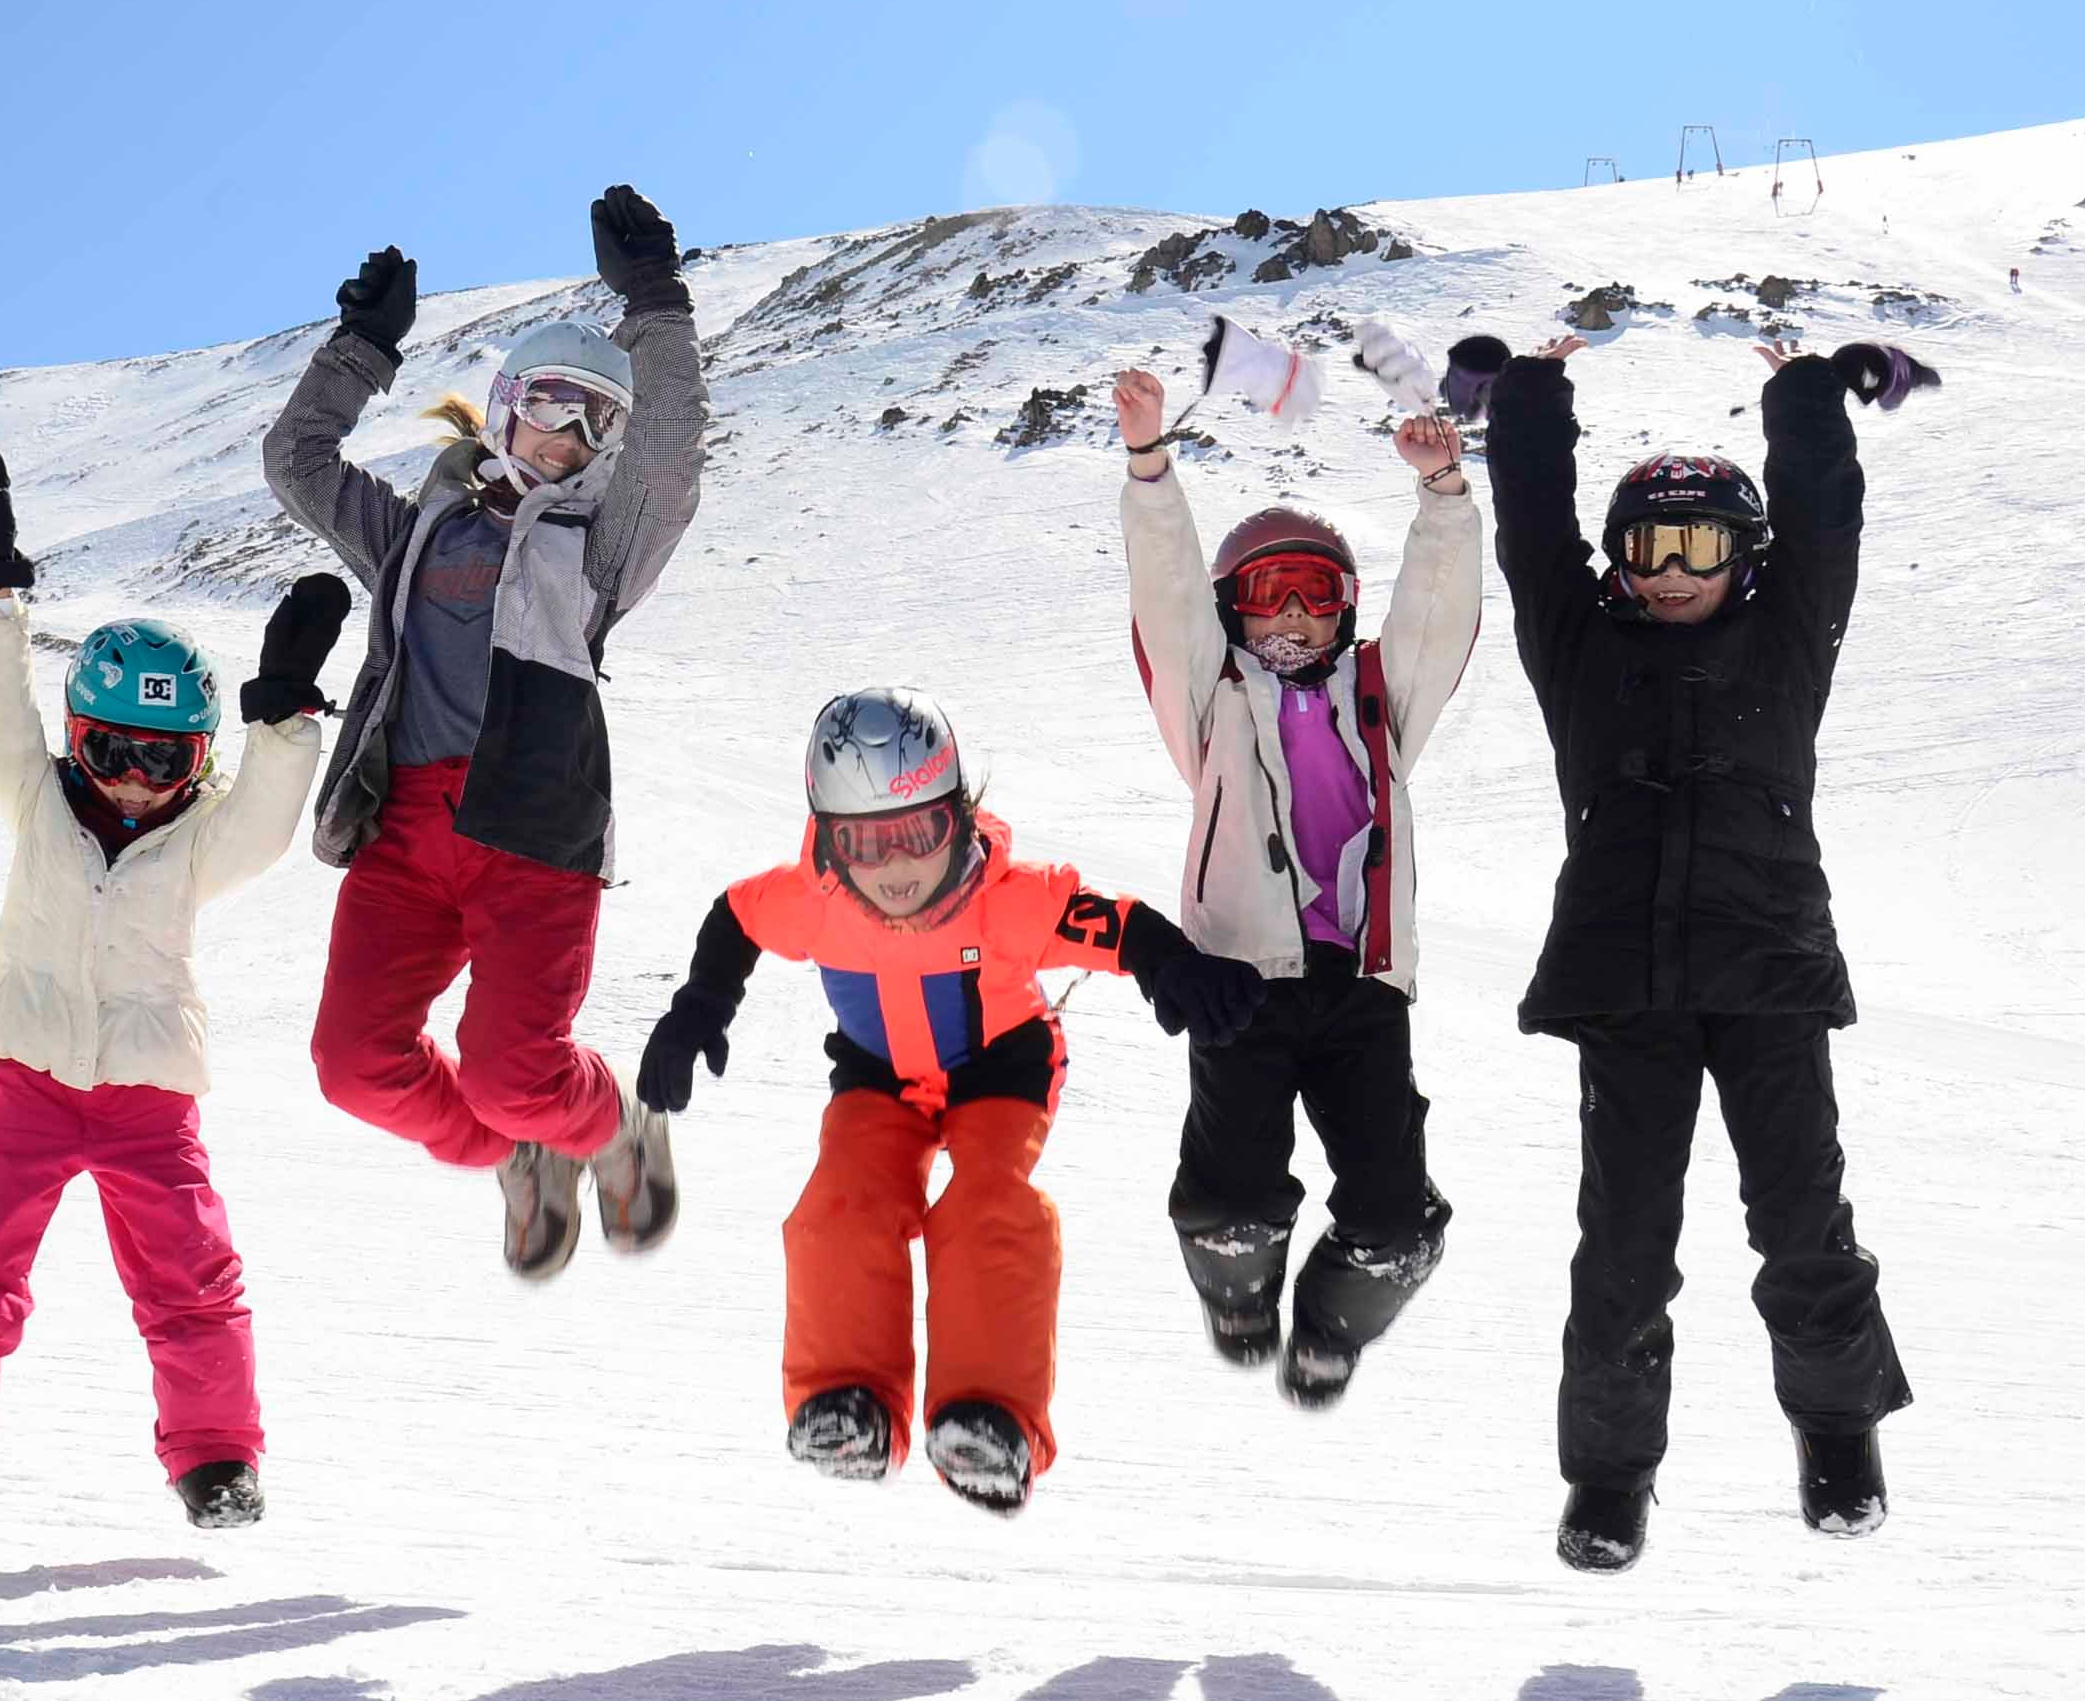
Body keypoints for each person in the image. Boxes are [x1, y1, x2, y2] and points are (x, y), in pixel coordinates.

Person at [1483, 332, 1921, 1574]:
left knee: (1801, 1229)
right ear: (1618, 563)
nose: (1673, 573)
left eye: (1700, 547)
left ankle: (1838, 1436)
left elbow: (1826, 526)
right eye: (1648, 548)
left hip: (1769, 978)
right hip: (1625, 993)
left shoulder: (1784, 647)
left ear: (1744, 557)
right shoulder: (1579, 652)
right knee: (1622, 1250)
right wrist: (1527, 395)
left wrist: (1799, 399)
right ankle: (1609, 1479)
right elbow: (1527, 535)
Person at [635, 689, 1265, 1514]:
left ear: (957, 816)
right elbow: (737, 919)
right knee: (842, 1202)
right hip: (878, 1073)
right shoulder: (815, 897)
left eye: (918, 834)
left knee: (989, 1202)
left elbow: (1111, 924)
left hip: (998, 1069)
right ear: (827, 838)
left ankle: (990, 1411)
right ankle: (846, 1398)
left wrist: (1174, 968)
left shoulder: (1003, 897)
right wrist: (697, 1009)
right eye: (864, 842)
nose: (894, 868)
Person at [0, 445, 342, 1534]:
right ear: (78, 742)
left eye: (167, 761)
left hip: (145, 1091)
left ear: (197, 767)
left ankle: (217, 1458)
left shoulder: (198, 846)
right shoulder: (36, 800)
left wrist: (284, 721)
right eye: (116, 750)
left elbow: (269, 825)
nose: (137, 777)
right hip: (27, 1075)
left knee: (191, 1279)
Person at [264, 186, 707, 1279]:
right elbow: (296, 461)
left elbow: (668, 460)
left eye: (593, 420)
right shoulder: (416, 531)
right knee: (353, 1067)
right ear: (504, 404)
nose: (566, 435)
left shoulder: (600, 550)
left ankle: (604, 1129)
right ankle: (520, 1150)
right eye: (550, 404)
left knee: (514, 1068)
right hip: (403, 831)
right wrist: (362, 345)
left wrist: (653, 301)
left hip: (531, 836)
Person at [1113, 368, 1483, 1406]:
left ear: (1343, 609)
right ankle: (1235, 1290)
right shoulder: (1213, 701)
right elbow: (1167, 593)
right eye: (1266, 594)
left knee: (1392, 1211)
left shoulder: (1379, 699)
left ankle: (1331, 1320)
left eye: (1313, 594)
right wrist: (1149, 466)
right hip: (1239, 974)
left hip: (1362, 985)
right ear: (1233, 611)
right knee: (1232, 1190)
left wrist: (1443, 498)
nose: (1288, 615)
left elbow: (1435, 621)